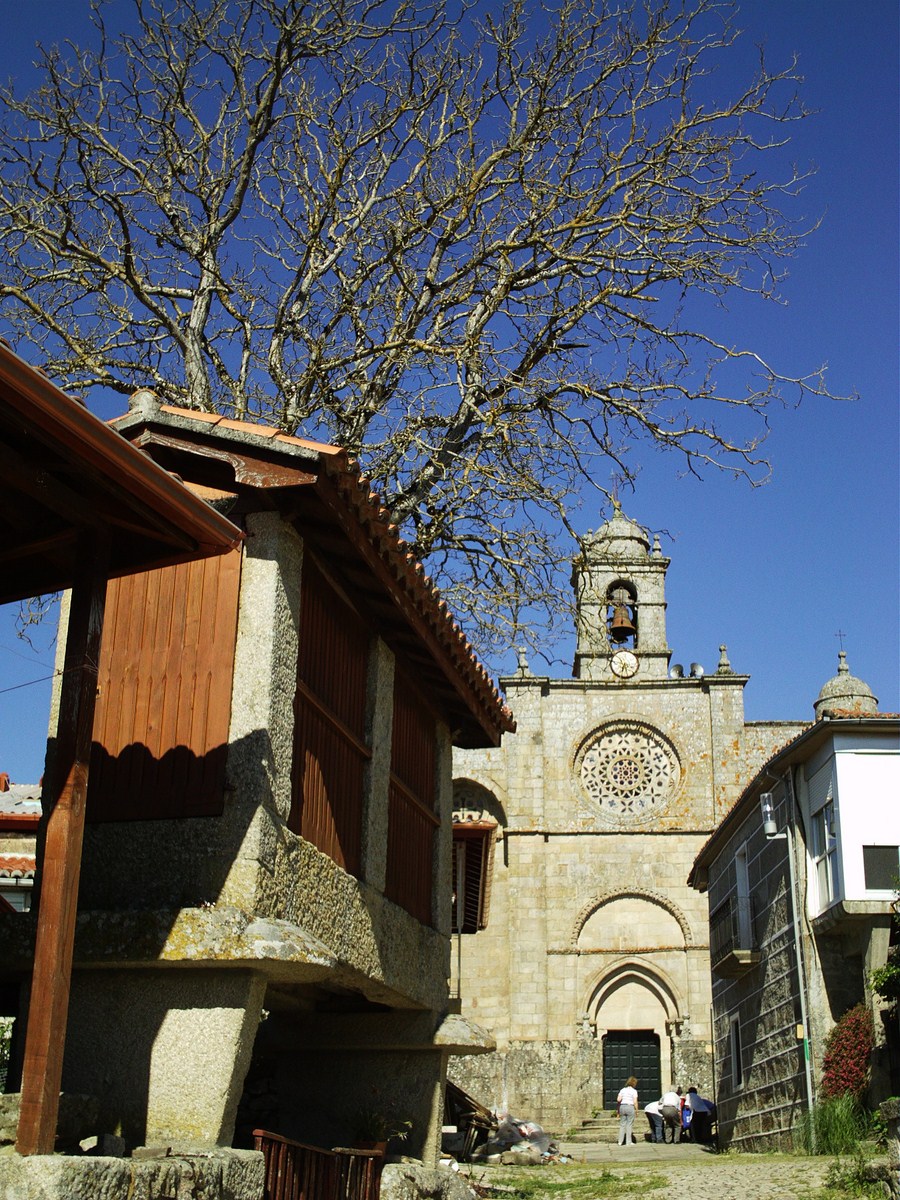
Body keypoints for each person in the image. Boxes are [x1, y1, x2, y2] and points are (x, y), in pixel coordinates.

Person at [616, 1076, 638, 1146]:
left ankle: (620, 1141)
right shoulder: (634, 1091)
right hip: (630, 1106)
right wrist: (636, 1110)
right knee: (629, 1124)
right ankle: (628, 1141)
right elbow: (635, 1101)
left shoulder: (622, 1090)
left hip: (622, 1106)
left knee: (622, 1124)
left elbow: (618, 1099)